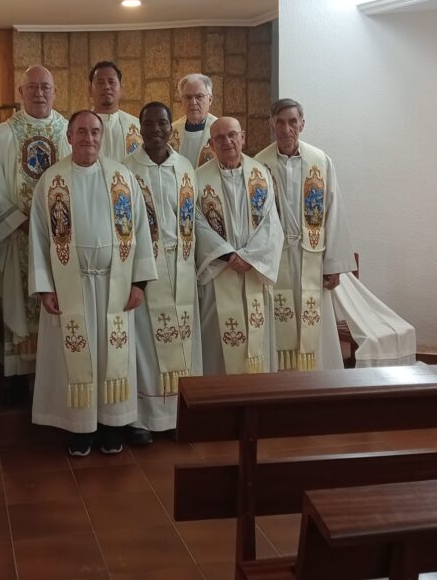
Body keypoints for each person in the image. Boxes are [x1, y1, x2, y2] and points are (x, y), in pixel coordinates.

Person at [29, 111, 156, 456]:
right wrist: (45, 286)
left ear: (102, 136)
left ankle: (112, 424)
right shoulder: (51, 181)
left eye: (95, 131)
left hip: (115, 286)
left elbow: (141, 230)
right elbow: (38, 237)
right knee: (76, 357)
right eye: (82, 131)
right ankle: (79, 428)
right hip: (70, 286)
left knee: (112, 356)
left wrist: (139, 282)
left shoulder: (122, 177)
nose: (89, 137)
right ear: (69, 137)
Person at [0, 65, 71, 385]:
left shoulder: (68, 131)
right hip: (18, 236)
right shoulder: (4, 134)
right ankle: (21, 379)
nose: (39, 93)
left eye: (45, 87)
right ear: (21, 92)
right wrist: (21, 222)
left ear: (55, 92)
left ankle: (56, 373)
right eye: (32, 87)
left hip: (60, 238)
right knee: (20, 300)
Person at [255, 100, 358, 370]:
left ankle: (317, 379)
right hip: (275, 259)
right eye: (280, 122)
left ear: (302, 124)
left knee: (313, 321)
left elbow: (333, 211)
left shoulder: (320, 161)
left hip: (311, 256)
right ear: (272, 124)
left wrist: (333, 264)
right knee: (278, 320)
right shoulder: (258, 165)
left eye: (292, 121)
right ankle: (280, 380)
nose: (286, 128)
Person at [123, 102, 200, 441]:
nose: (156, 129)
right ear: (140, 128)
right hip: (146, 270)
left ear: (172, 128)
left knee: (183, 342)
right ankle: (144, 418)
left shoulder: (185, 167)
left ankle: (180, 415)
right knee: (146, 346)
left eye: (162, 123)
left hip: (182, 265)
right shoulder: (126, 170)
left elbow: (194, 218)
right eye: (149, 123)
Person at [195, 117, 281, 375]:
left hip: (252, 271)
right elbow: (196, 223)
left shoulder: (261, 174)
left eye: (232, 135)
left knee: (255, 341)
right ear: (211, 144)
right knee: (216, 346)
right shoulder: (198, 178)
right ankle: (217, 396)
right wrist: (227, 255)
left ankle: (254, 395)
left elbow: (271, 223)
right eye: (219, 138)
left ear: (242, 137)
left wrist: (249, 258)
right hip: (219, 272)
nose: (227, 141)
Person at [89, 61, 141, 161]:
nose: (106, 87)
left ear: (121, 89)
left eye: (111, 82)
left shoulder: (137, 127)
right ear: (90, 90)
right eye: (100, 82)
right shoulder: (79, 127)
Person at [169, 73, 217, 167]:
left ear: (210, 100)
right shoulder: (171, 131)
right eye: (188, 97)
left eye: (199, 96)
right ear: (181, 101)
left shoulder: (220, 130)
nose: (193, 102)